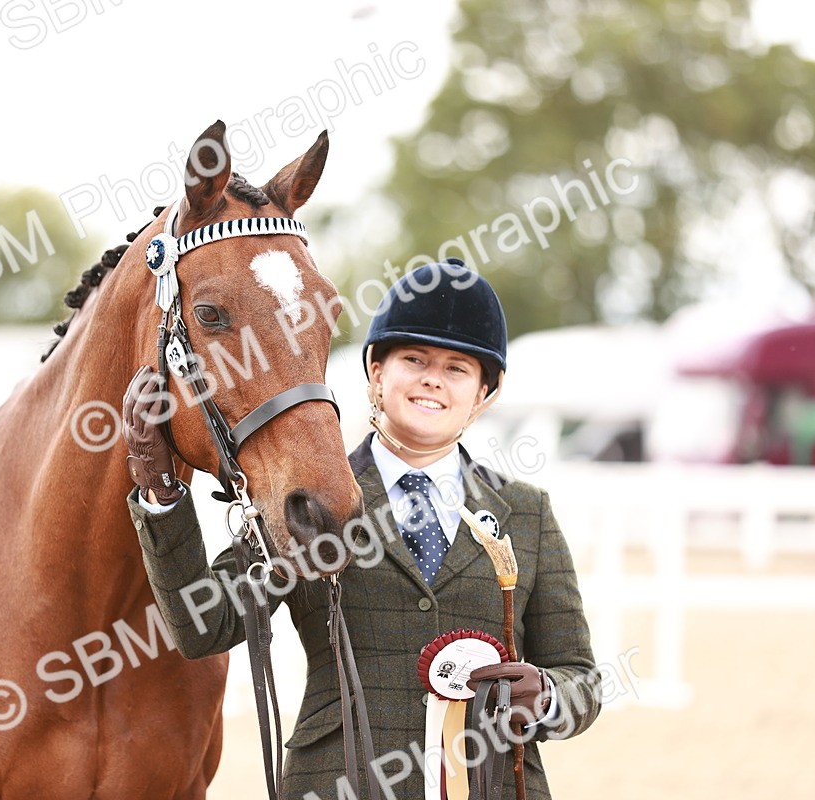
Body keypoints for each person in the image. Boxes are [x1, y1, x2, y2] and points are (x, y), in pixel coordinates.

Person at [123, 260, 600, 800]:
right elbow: (205, 626)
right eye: (414, 360)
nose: (432, 379)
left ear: (484, 394)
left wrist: (548, 696)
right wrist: (162, 496)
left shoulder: (527, 512)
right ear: (376, 372)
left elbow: (580, 676)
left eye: (457, 368)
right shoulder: (310, 500)